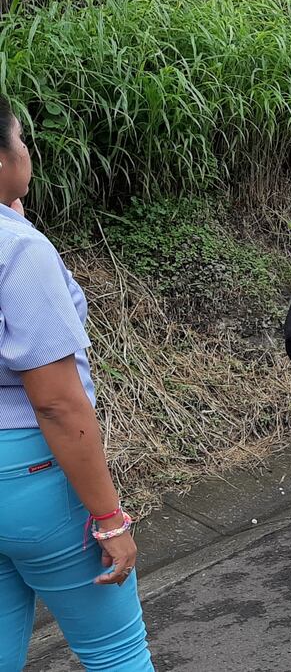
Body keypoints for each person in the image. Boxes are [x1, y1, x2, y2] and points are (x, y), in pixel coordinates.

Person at [0, 98, 153, 668]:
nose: (29, 152)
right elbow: (59, 403)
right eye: (22, 140)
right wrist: (110, 520)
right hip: (33, 477)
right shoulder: (18, 249)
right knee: (115, 652)